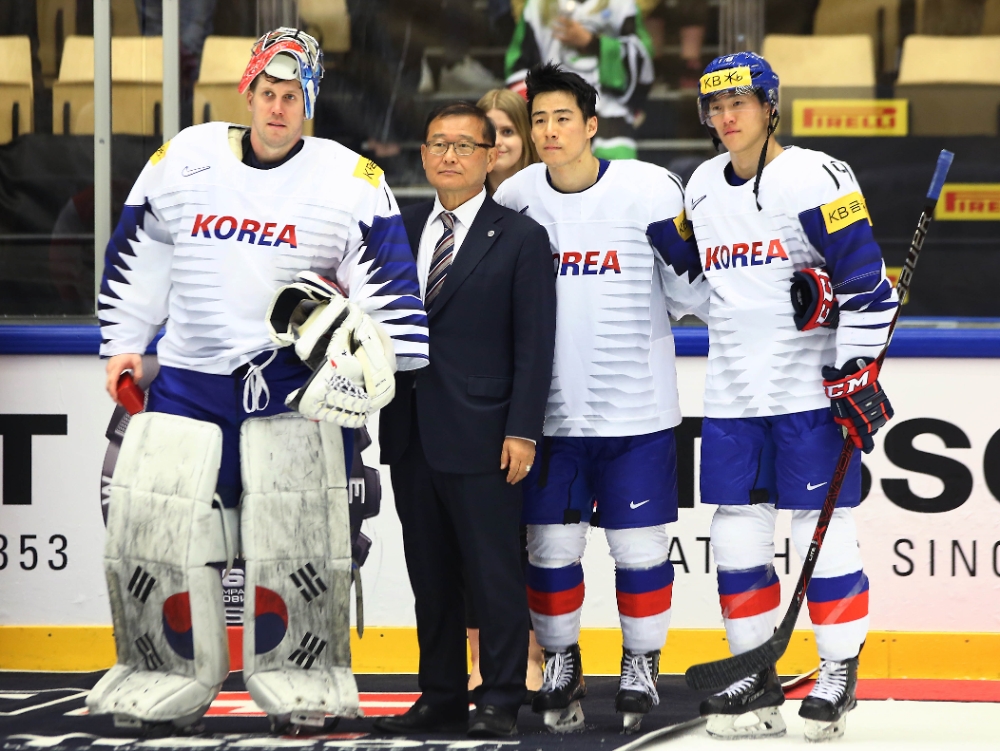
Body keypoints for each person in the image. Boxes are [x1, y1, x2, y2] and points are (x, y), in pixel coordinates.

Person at [88, 28, 427, 734]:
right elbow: (137, 252)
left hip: (292, 396)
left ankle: (306, 680)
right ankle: (162, 676)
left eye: (292, 95)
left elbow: (392, 299)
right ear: (247, 91)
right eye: (267, 93)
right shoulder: (184, 158)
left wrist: (366, 366)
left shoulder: (351, 179)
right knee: (159, 540)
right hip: (186, 386)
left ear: (311, 101)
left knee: (300, 549)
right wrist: (122, 344)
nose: (277, 107)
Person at [660, 51, 896, 742]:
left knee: (820, 529)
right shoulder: (701, 185)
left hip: (807, 390)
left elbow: (866, 281)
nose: (726, 117)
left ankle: (836, 669)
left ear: (770, 105)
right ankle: (752, 674)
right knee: (736, 529)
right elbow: (704, 290)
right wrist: (674, 268)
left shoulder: (815, 175)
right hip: (733, 393)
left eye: (740, 103)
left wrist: (855, 365)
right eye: (715, 107)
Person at [493, 63, 707, 734]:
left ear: (592, 126)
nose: (550, 131)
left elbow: (692, 293)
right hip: (549, 421)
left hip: (638, 416)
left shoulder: (649, 189)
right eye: (540, 120)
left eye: (564, 119)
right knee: (550, 550)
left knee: (641, 549)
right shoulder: (517, 196)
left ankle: (641, 661)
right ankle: (560, 658)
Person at [375, 102, 556, 738]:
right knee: (430, 575)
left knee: (494, 572)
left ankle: (502, 697)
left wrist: (522, 430)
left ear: (489, 157)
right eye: (437, 144)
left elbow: (536, 347)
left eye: (464, 145)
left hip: (485, 434)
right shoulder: (394, 233)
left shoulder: (521, 237)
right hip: (409, 430)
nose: (449, 155)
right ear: (422, 155)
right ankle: (442, 695)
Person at [459, 88, 542, 700]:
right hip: (469, 409)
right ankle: (477, 656)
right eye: (488, 134)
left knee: (534, 542)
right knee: (472, 544)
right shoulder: (450, 214)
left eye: (508, 133)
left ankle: (541, 651)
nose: (499, 145)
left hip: (532, 404)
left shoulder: (540, 209)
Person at [505, 0, 655, 160]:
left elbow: (642, 58)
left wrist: (593, 43)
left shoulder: (621, 4)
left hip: (609, 109)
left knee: (618, 168)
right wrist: (536, 108)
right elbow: (518, 66)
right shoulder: (537, 6)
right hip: (553, 108)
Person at [478, 88, 540, 196]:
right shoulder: (460, 198)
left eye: (507, 132)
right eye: (488, 132)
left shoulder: (548, 194)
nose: (496, 141)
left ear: (527, 136)